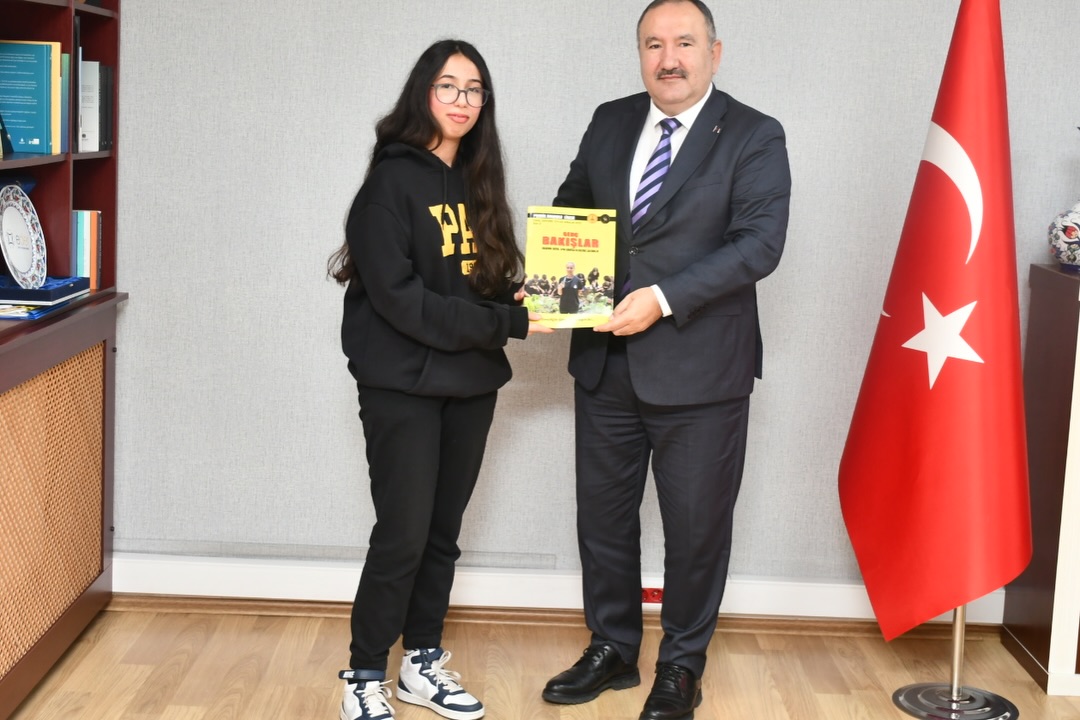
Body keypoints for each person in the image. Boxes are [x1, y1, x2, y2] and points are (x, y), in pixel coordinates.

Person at [540, 2, 791, 719]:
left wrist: (661, 298)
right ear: (640, 54)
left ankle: (681, 666)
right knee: (604, 522)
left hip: (702, 372)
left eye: (684, 42)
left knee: (695, 530)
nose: (669, 58)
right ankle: (612, 648)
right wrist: (555, 284)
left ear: (715, 51)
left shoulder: (754, 134)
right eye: (654, 44)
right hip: (606, 364)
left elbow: (758, 244)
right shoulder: (610, 120)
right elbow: (573, 212)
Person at [328, 38, 551, 720]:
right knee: (402, 533)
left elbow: (474, 282)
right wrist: (506, 323)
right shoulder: (389, 185)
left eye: (474, 89)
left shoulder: (478, 183)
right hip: (400, 383)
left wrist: (521, 297)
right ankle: (364, 674)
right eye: (448, 86)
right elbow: (404, 303)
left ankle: (420, 663)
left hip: (469, 382)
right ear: (423, 93)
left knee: (442, 533)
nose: (462, 100)